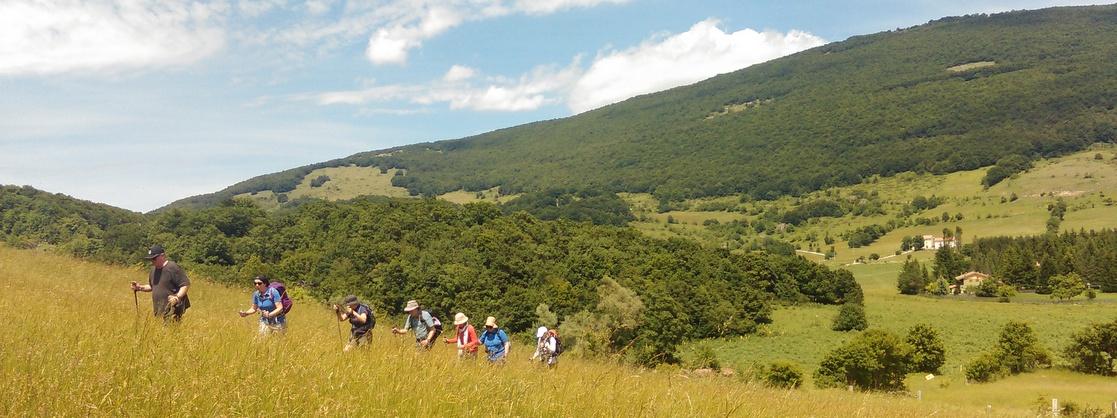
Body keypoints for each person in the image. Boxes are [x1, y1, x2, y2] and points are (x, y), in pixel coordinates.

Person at [129, 245, 190, 323]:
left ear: (162, 256)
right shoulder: (153, 270)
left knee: (170, 332)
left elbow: (185, 284)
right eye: (151, 259)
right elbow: (153, 286)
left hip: (173, 309)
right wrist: (140, 287)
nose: (152, 261)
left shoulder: (172, 267)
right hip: (159, 310)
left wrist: (177, 297)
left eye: (154, 258)